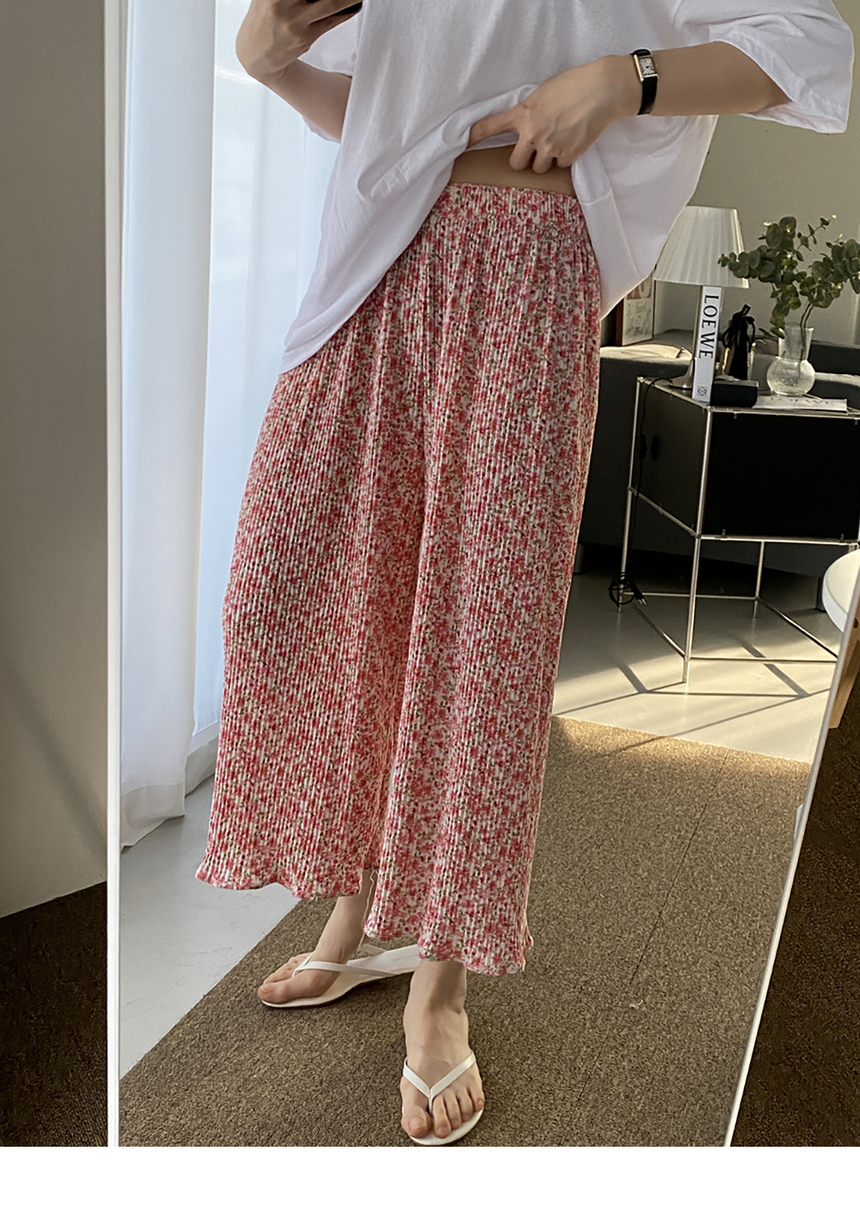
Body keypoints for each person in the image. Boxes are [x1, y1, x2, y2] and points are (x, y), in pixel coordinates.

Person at [196, 0, 853, 1145]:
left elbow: (807, 51)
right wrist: (270, 68)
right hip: (372, 258)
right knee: (290, 594)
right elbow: (387, 115)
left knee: (481, 634)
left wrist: (621, 79)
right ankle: (354, 907)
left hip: (530, 263)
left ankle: (438, 981)